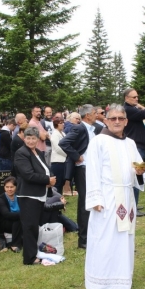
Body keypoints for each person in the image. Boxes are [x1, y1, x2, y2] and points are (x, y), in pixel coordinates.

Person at [84, 104, 145, 289]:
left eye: (121, 118)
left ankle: (119, 283)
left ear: (126, 121)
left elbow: (138, 167)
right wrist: (95, 199)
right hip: (107, 198)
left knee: (123, 241)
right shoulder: (98, 142)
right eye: (113, 118)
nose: (117, 121)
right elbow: (91, 171)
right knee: (103, 240)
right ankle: (98, 286)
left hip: (126, 199)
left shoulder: (130, 143)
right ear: (107, 121)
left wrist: (139, 172)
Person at [14, 127, 56, 265]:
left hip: (38, 194)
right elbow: (28, 174)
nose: (31, 141)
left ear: (38, 139)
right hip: (28, 195)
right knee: (29, 227)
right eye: (28, 138)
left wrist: (49, 180)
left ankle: (33, 252)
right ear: (24, 139)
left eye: (33, 138)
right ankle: (29, 258)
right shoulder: (21, 153)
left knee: (34, 226)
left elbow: (44, 169)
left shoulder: (38, 151)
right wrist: (46, 180)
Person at [58, 104, 96, 249]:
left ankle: (91, 235)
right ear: (87, 115)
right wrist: (76, 156)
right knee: (85, 203)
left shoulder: (94, 129)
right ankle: (83, 239)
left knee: (92, 201)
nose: (96, 115)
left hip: (92, 168)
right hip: (82, 169)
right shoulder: (79, 128)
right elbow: (63, 142)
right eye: (94, 113)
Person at [123, 88, 145, 215]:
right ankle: (132, 206)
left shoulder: (132, 109)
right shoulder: (129, 110)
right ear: (126, 98)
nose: (136, 99)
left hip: (138, 145)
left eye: (137, 97)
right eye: (133, 97)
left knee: (138, 175)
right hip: (135, 146)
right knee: (136, 174)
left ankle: (134, 203)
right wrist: (140, 106)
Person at [0, 176, 23, 253]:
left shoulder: (19, 196)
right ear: (4, 188)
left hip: (19, 220)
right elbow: (6, 214)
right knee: (17, 221)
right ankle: (15, 244)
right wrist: (23, 215)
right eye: (7, 187)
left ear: (16, 187)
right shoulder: (0, 199)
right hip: (5, 222)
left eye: (12, 187)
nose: (9, 189)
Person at [50, 116, 67, 194]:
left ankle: (60, 198)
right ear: (56, 124)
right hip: (57, 161)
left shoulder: (63, 133)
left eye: (63, 122)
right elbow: (58, 148)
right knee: (58, 183)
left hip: (64, 161)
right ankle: (57, 198)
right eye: (60, 123)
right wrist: (68, 154)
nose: (63, 124)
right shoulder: (54, 134)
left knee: (62, 182)